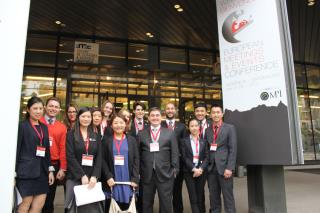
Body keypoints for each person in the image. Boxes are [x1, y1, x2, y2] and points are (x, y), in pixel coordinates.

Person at [15, 96, 55, 213]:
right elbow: (17, 150)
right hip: (26, 173)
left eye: (40, 108)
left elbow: (47, 151)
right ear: (28, 109)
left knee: (38, 206)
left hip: (42, 173)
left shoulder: (44, 127)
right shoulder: (22, 126)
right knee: (24, 205)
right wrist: (13, 172)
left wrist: (50, 170)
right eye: (35, 108)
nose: (38, 111)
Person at [139, 107, 179, 213]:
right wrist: (139, 172)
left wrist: (175, 170)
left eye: (157, 115)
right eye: (152, 115)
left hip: (166, 174)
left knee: (166, 204)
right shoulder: (141, 133)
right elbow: (138, 155)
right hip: (147, 174)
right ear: (148, 117)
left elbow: (175, 152)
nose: (155, 117)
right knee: (146, 204)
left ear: (161, 117)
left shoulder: (170, 133)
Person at [65, 107, 103, 212]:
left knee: (91, 209)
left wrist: (95, 176)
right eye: (83, 116)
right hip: (74, 177)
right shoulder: (71, 135)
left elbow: (99, 158)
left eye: (88, 116)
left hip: (92, 179)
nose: (86, 119)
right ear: (78, 117)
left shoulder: (96, 135)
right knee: (73, 208)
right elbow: (70, 156)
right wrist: (81, 175)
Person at [102, 114, 139, 211]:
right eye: (116, 123)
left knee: (128, 208)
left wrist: (135, 178)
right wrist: (108, 176)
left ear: (125, 124)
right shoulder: (106, 141)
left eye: (121, 122)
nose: (119, 125)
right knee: (112, 208)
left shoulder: (132, 140)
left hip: (128, 181)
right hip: (113, 181)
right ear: (111, 125)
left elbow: (136, 159)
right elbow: (103, 160)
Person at [205, 104, 237, 213]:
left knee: (228, 197)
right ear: (210, 115)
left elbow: (233, 149)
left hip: (225, 168)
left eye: (218, 112)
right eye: (213, 112)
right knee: (213, 197)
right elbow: (207, 149)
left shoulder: (229, 128)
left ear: (222, 114)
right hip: (211, 169)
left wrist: (230, 168)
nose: (215, 115)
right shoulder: (207, 130)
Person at [41, 97, 67, 213]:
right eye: (51, 106)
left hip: (54, 165)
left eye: (56, 107)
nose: (53, 109)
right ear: (45, 107)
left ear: (59, 110)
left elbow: (63, 149)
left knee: (49, 200)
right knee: (35, 198)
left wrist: (62, 168)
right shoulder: (37, 122)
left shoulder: (62, 127)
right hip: (38, 164)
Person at [160, 103, 187, 213]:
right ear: (165, 111)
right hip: (163, 163)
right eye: (168, 108)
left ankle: (178, 210)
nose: (170, 110)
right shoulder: (160, 125)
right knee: (163, 191)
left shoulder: (181, 126)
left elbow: (184, 145)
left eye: (172, 109)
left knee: (177, 190)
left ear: (175, 111)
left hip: (177, 163)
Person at [181, 119, 208, 213]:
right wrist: (193, 169)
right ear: (188, 127)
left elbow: (207, 157)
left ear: (199, 127)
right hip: (189, 172)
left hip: (202, 172)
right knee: (193, 197)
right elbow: (184, 157)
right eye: (192, 126)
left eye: (196, 125)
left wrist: (200, 169)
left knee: (200, 196)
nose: (194, 128)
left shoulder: (204, 141)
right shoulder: (184, 141)